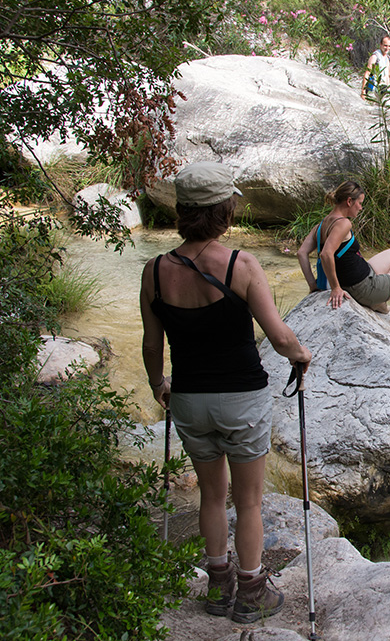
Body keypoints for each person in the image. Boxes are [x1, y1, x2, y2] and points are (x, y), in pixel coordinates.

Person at [140, 162, 311, 624]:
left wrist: (159, 384)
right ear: (224, 212)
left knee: (212, 497)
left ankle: (218, 586)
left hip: (188, 399)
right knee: (248, 501)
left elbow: (152, 345)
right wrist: (301, 355)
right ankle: (252, 591)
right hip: (242, 398)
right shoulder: (241, 264)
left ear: (182, 211)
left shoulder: (154, 271)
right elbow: (279, 338)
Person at [296, 180, 390, 351]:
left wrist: (313, 285)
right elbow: (326, 254)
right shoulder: (343, 223)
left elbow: (301, 253)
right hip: (361, 287)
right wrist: (335, 288)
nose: (361, 207)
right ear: (349, 201)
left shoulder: (321, 225)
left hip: (360, 274)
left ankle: (379, 301)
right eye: (360, 203)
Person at [360, 35, 390, 100]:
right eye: (385, 45)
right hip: (375, 89)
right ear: (381, 45)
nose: (387, 48)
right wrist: (363, 91)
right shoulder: (375, 57)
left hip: (385, 89)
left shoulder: (387, 58)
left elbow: (389, 74)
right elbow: (367, 73)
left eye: (389, 46)